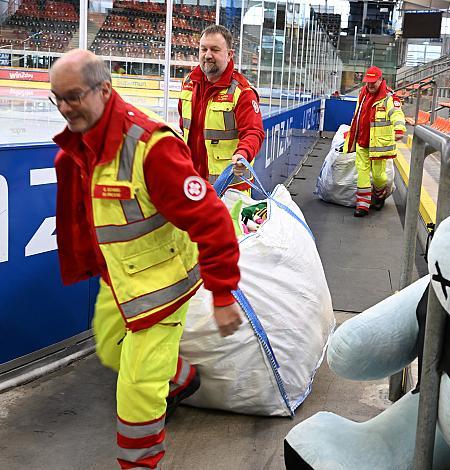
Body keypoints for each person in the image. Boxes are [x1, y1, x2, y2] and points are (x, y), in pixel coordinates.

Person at [50, 49, 244, 469]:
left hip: (161, 289)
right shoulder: (81, 146)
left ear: (104, 90)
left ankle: (139, 463)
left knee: (137, 392)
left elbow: (211, 218)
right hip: (120, 280)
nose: (65, 108)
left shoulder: (149, 147)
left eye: (73, 96)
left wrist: (223, 293)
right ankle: (181, 378)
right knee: (108, 346)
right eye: (57, 98)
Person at [179, 25, 265, 191]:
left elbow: (254, 132)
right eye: (203, 49)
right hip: (192, 185)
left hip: (229, 189)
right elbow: (184, 127)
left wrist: (243, 154)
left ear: (229, 54)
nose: (208, 55)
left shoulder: (242, 92)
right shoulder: (188, 83)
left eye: (215, 49)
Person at [344, 66, 406, 217]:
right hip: (362, 141)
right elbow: (358, 115)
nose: (370, 85)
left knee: (379, 176)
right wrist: (352, 132)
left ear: (380, 80)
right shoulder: (363, 94)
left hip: (379, 145)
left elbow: (396, 113)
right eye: (368, 82)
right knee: (362, 172)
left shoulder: (389, 97)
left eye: (373, 82)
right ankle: (362, 205)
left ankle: (379, 195)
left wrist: (399, 128)